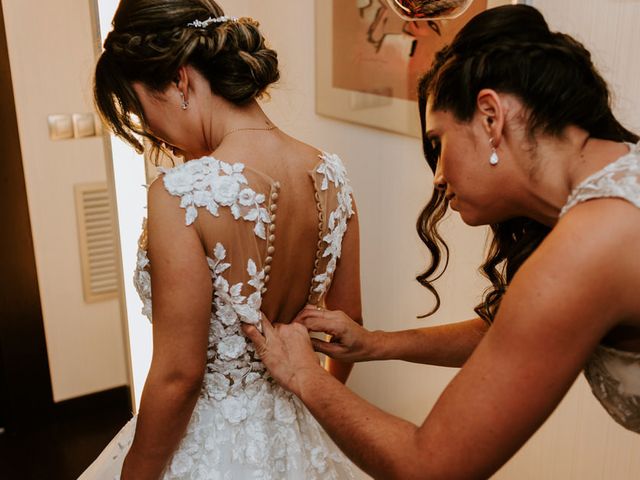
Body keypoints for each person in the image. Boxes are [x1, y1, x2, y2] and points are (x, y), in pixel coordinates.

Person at [242, 4, 640, 479]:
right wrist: (376, 344)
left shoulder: (591, 243)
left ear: (491, 117)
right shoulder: (617, 184)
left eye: (439, 142)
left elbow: (431, 467)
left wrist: (304, 377)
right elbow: (519, 331)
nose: (439, 176)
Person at [79, 0, 361, 478]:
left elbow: (179, 376)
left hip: (207, 445)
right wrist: (310, 408)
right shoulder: (331, 173)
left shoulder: (180, 195)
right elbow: (346, 324)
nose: (151, 132)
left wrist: (139, 470)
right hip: (299, 425)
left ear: (179, 81)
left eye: (142, 108)